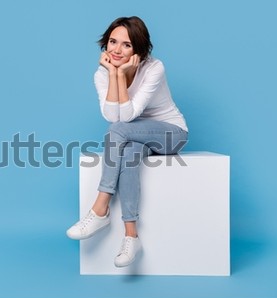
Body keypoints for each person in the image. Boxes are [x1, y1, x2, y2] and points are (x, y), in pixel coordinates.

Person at [66, 16, 189, 267]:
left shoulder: (154, 68)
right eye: (113, 42)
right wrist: (114, 73)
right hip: (137, 136)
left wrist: (121, 74)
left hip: (171, 134)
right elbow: (114, 115)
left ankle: (100, 208)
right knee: (129, 156)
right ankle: (131, 236)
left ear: (139, 50)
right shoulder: (102, 74)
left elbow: (127, 116)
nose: (117, 50)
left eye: (127, 45)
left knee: (118, 131)